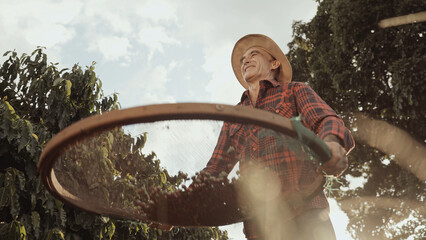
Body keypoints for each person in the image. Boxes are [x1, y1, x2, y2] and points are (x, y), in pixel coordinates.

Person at [201, 34, 355, 240]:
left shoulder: (294, 91)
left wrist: (332, 143)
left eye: (253, 54)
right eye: (242, 59)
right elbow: (214, 169)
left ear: (274, 63)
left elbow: (325, 120)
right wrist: (177, 208)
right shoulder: (234, 116)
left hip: (307, 213)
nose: (245, 60)